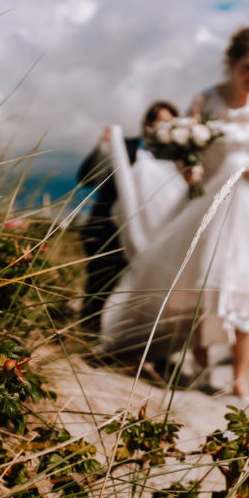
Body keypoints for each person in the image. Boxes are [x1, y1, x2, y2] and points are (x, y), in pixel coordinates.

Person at [101, 26, 249, 399]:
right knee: (205, 278)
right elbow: (190, 155)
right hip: (213, 199)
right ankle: (201, 359)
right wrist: (190, 169)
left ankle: (239, 377)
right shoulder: (205, 100)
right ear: (232, 62)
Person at [76, 100, 181, 329]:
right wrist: (102, 148)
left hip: (152, 236)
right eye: (162, 122)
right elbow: (86, 178)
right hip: (108, 229)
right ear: (148, 123)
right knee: (101, 286)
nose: (165, 130)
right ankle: (88, 338)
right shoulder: (123, 146)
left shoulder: (177, 160)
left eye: (172, 125)